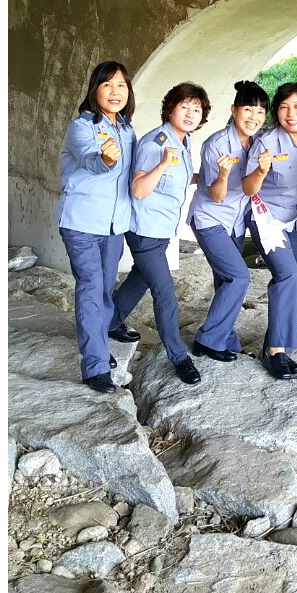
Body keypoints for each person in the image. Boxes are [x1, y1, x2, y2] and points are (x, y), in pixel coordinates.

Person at [109, 83, 211, 384]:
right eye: (184, 107)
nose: (190, 114)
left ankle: (110, 321)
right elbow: (138, 190)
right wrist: (164, 163)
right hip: (145, 231)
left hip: (161, 228)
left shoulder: (184, 140)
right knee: (165, 293)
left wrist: (204, 177)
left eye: (197, 109)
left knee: (140, 278)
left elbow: (176, 177)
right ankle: (178, 357)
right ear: (170, 109)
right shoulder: (156, 143)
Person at [59, 61, 136, 394]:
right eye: (107, 85)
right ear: (95, 90)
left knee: (104, 288)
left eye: (121, 85)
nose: (115, 92)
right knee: (91, 287)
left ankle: (99, 343)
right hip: (81, 223)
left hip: (114, 226)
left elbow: (135, 175)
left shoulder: (128, 131)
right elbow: (92, 161)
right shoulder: (81, 127)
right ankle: (95, 364)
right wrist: (105, 160)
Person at [186, 80, 269, 361]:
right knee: (238, 276)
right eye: (248, 110)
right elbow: (216, 195)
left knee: (225, 280)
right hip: (210, 219)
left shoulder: (258, 143)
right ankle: (207, 340)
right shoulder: (216, 145)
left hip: (235, 221)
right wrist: (223, 175)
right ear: (234, 110)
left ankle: (227, 338)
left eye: (260, 112)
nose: (254, 117)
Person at [242, 82, 297, 380]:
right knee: (286, 276)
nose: (291, 113)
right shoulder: (266, 143)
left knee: (294, 282)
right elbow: (248, 188)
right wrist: (261, 171)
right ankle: (275, 351)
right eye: (284, 107)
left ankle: (278, 345)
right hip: (267, 221)